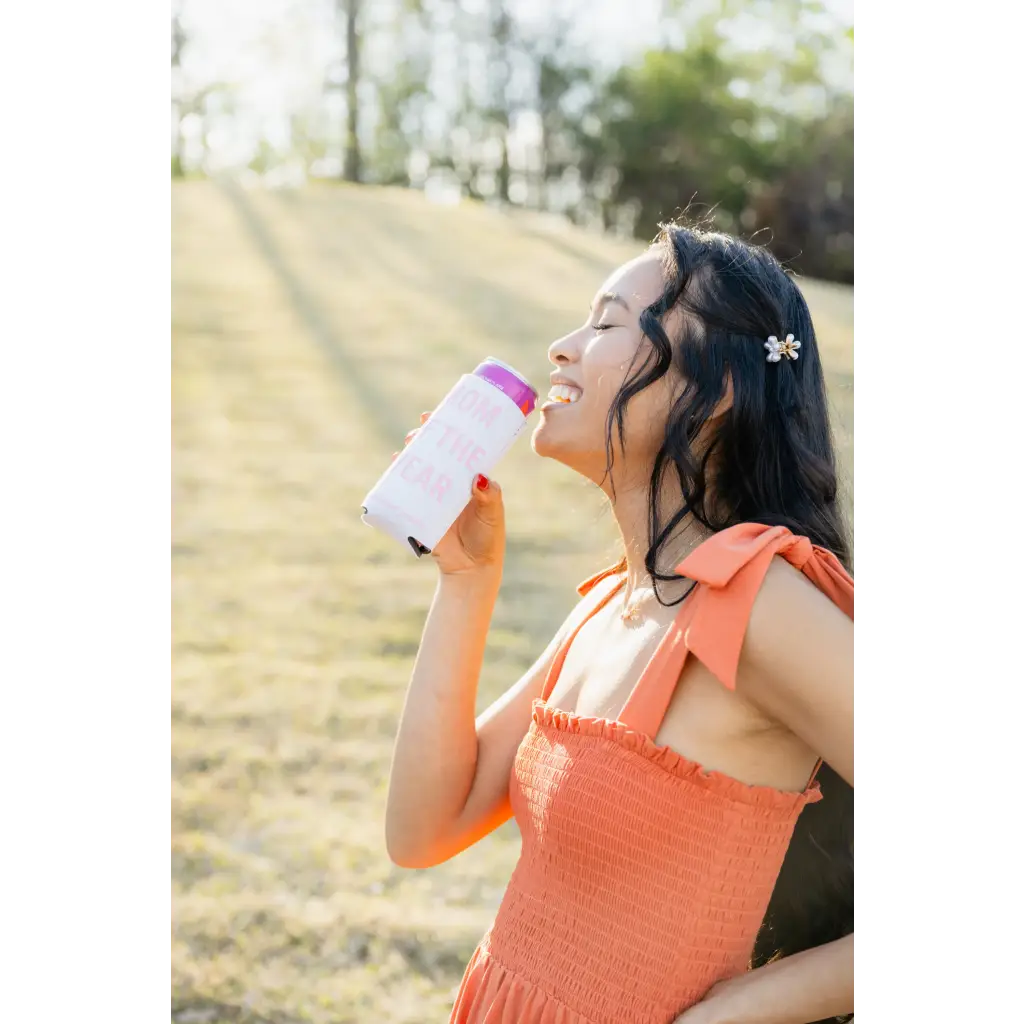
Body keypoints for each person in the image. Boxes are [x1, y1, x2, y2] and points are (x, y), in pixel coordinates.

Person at [384, 222, 855, 1024]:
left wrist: (734, 1013)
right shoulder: (613, 604)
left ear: (722, 387)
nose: (563, 347)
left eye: (606, 323)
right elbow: (424, 828)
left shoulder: (756, 596)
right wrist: (466, 583)